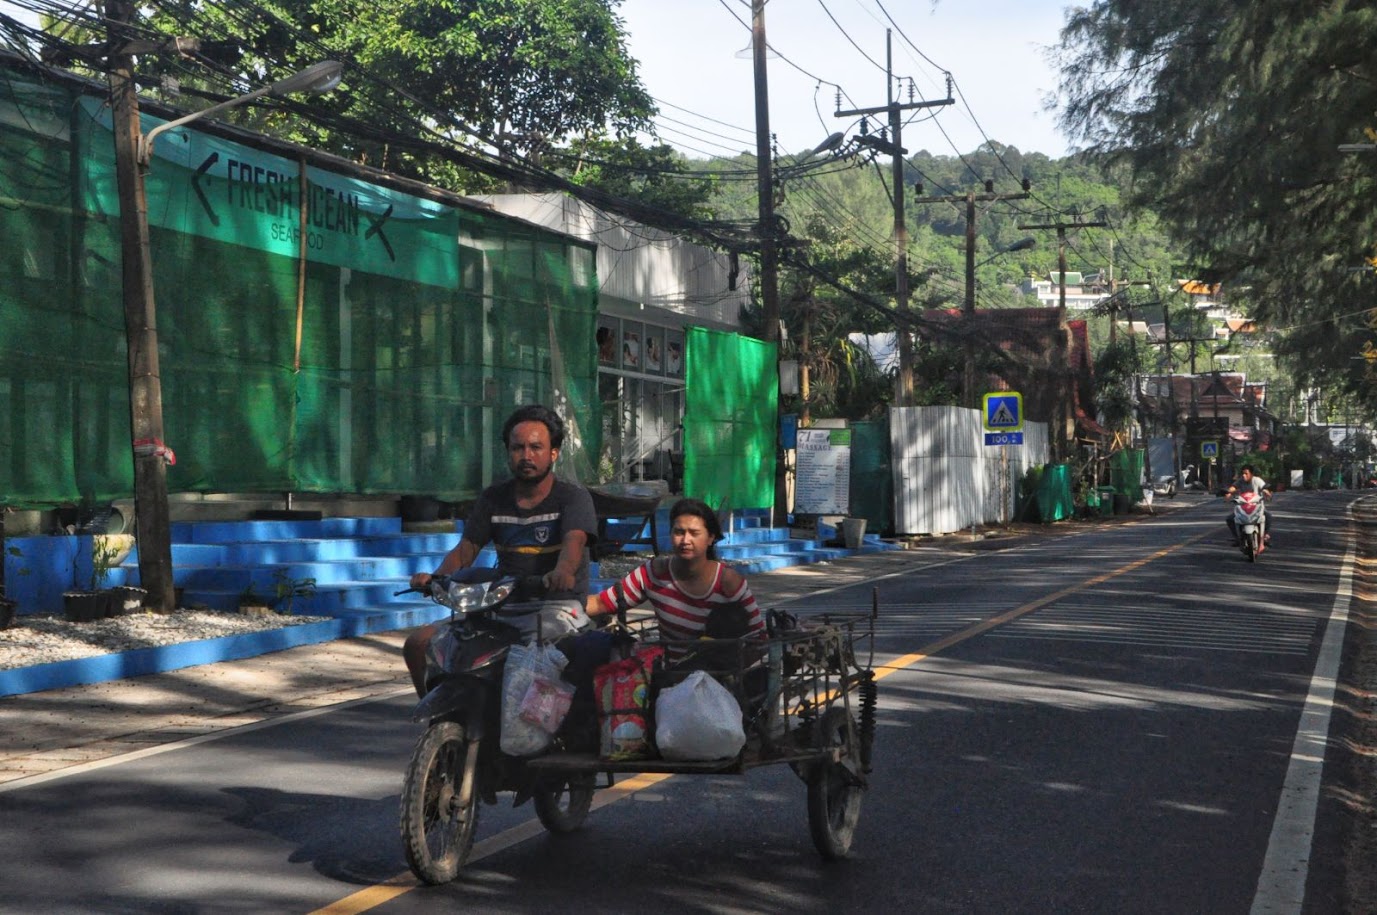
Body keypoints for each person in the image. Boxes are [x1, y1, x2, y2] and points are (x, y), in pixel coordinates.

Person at [402, 404, 596, 697]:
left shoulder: (572, 498)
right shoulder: (494, 498)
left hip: (555, 608)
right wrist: (436, 578)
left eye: (536, 447)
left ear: (553, 453)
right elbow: (467, 548)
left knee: (540, 675)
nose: (526, 456)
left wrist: (563, 572)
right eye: (518, 448)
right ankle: (438, 721)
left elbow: (574, 542)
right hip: (498, 606)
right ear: (508, 452)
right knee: (418, 644)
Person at [587, 498, 765, 666]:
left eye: (694, 533)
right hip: (670, 677)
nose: (685, 541)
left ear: (711, 538)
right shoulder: (654, 573)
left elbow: (759, 639)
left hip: (720, 680)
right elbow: (604, 602)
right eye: (679, 532)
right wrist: (567, 609)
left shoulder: (728, 582)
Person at [1224, 464, 1273, 548]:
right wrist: (1228, 493)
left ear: (1251, 474)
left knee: (1268, 516)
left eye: (1246, 473)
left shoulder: (1257, 480)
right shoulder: (1240, 481)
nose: (1244, 475)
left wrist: (1266, 492)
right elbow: (1233, 487)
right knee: (1230, 519)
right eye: (1243, 473)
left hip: (1257, 507)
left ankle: (1264, 536)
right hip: (1243, 508)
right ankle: (1237, 538)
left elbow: (1264, 487)